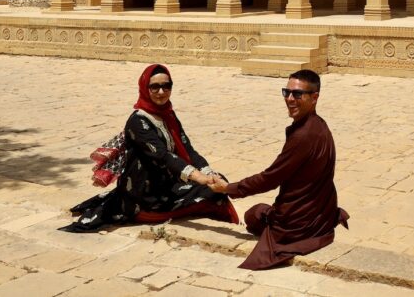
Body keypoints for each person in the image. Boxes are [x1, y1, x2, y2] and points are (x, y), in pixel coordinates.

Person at [60, 63, 239, 232]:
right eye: (155, 87)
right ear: (145, 88)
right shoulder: (138, 121)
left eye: (166, 86)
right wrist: (199, 177)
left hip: (168, 182)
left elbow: (187, 148)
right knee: (209, 192)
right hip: (145, 194)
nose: (161, 92)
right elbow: (163, 156)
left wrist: (209, 173)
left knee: (218, 183)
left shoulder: (168, 115)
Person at [209, 69, 348, 269]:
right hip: (321, 219)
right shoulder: (319, 125)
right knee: (259, 212)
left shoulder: (304, 136)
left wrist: (228, 188)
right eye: (286, 92)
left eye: (297, 94)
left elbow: (270, 178)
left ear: (314, 97)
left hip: (299, 223)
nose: (290, 99)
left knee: (253, 215)